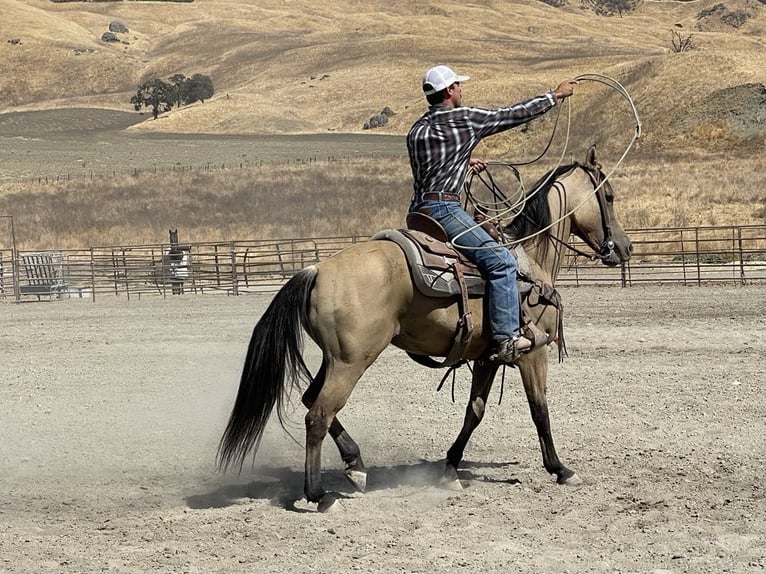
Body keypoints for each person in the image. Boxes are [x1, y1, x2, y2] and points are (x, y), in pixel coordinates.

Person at [407, 65, 576, 364]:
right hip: (444, 209)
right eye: (458, 85)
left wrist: (462, 159)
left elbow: (433, 162)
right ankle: (506, 337)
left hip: (418, 211)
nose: (461, 89)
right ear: (449, 91)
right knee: (501, 261)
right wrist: (555, 95)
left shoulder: (416, 129)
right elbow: (509, 115)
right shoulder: (465, 119)